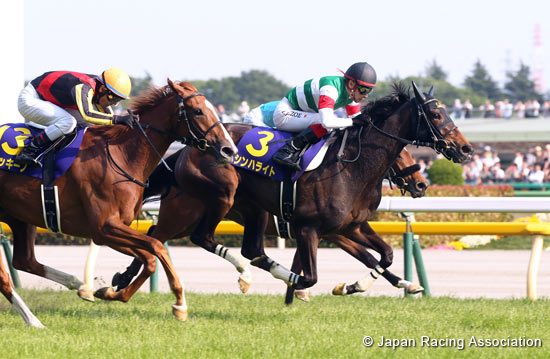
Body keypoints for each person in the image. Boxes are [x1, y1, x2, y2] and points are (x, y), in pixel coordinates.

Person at [16, 68, 134, 167]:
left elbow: (107, 118)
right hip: (31, 99)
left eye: (118, 100)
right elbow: (88, 115)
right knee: (69, 122)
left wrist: (124, 123)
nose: (114, 104)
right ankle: (30, 149)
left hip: (50, 102)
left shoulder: (97, 88)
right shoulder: (83, 87)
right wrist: (119, 119)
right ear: (103, 89)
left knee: (92, 126)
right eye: (114, 99)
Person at [272, 62, 376, 170]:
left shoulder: (351, 94)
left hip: (303, 114)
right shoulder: (330, 89)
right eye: (364, 90)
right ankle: (286, 151)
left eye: (369, 91)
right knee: (324, 122)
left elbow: (358, 120)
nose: (366, 95)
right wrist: (353, 121)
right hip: (284, 113)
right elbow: (327, 122)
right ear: (351, 84)